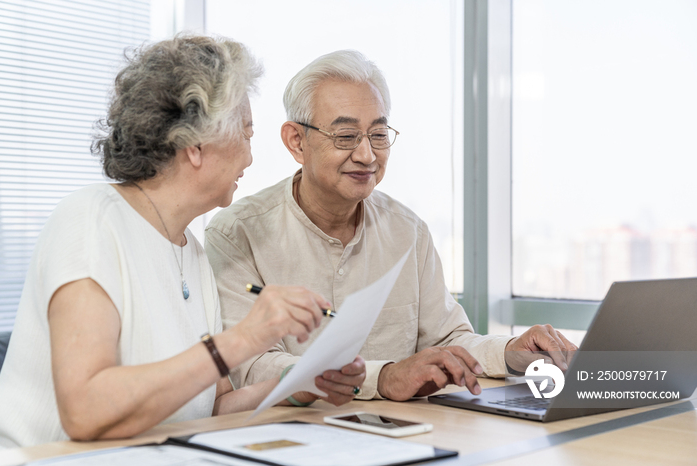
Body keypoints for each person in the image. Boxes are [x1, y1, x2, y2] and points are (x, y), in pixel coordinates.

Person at [0, 36, 365, 449]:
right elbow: (85, 410)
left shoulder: (192, 252)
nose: (249, 157)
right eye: (245, 134)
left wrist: (297, 385)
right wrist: (242, 339)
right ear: (195, 145)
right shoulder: (91, 220)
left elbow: (213, 406)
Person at [205, 50, 577, 402]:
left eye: (379, 135)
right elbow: (250, 368)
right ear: (296, 141)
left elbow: (449, 339)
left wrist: (512, 353)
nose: (367, 155)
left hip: (403, 432)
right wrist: (382, 377)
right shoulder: (236, 234)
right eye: (346, 136)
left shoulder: (408, 231)